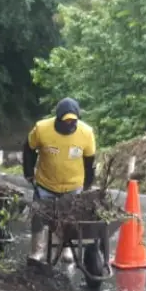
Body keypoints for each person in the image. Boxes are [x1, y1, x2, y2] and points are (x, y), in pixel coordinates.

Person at [23, 97, 97, 263]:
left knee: (68, 219)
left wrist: (87, 185)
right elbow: (28, 149)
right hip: (45, 183)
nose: (70, 124)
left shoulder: (86, 133)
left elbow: (89, 161)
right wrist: (28, 172)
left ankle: (66, 248)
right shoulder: (42, 129)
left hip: (72, 185)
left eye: (73, 121)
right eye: (66, 121)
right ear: (58, 119)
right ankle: (37, 251)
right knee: (38, 216)